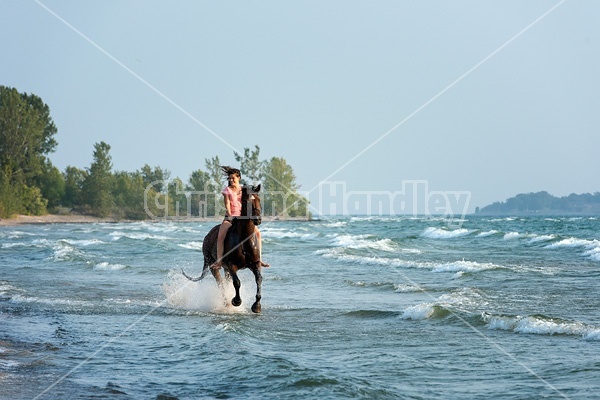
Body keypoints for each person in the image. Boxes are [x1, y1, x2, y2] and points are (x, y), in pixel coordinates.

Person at [211, 166, 268, 269]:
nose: (231, 180)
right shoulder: (227, 190)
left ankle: (259, 259)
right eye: (230, 178)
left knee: (258, 234)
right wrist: (230, 214)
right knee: (220, 236)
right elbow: (227, 204)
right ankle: (219, 262)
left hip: (243, 218)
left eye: (233, 178)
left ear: (239, 178)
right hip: (230, 218)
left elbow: (252, 198)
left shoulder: (244, 190)